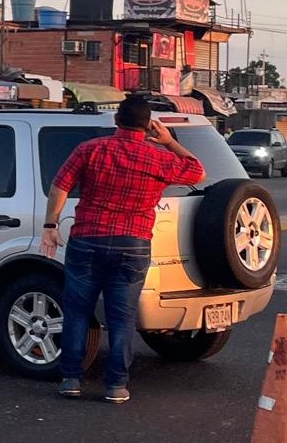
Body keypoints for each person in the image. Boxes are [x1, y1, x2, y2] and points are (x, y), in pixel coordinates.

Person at [41, 96, 206, 403]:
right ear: (148, 125)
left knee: (77, 311)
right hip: (133, 244)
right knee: (122, 317)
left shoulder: (90, 149)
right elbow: (197, 171)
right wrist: (169, 142)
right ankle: (116, 384)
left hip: (88, 239)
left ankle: (71, 379)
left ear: (116, 120)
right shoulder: (158, 158)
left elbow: (60, 185)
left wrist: (50, 226)